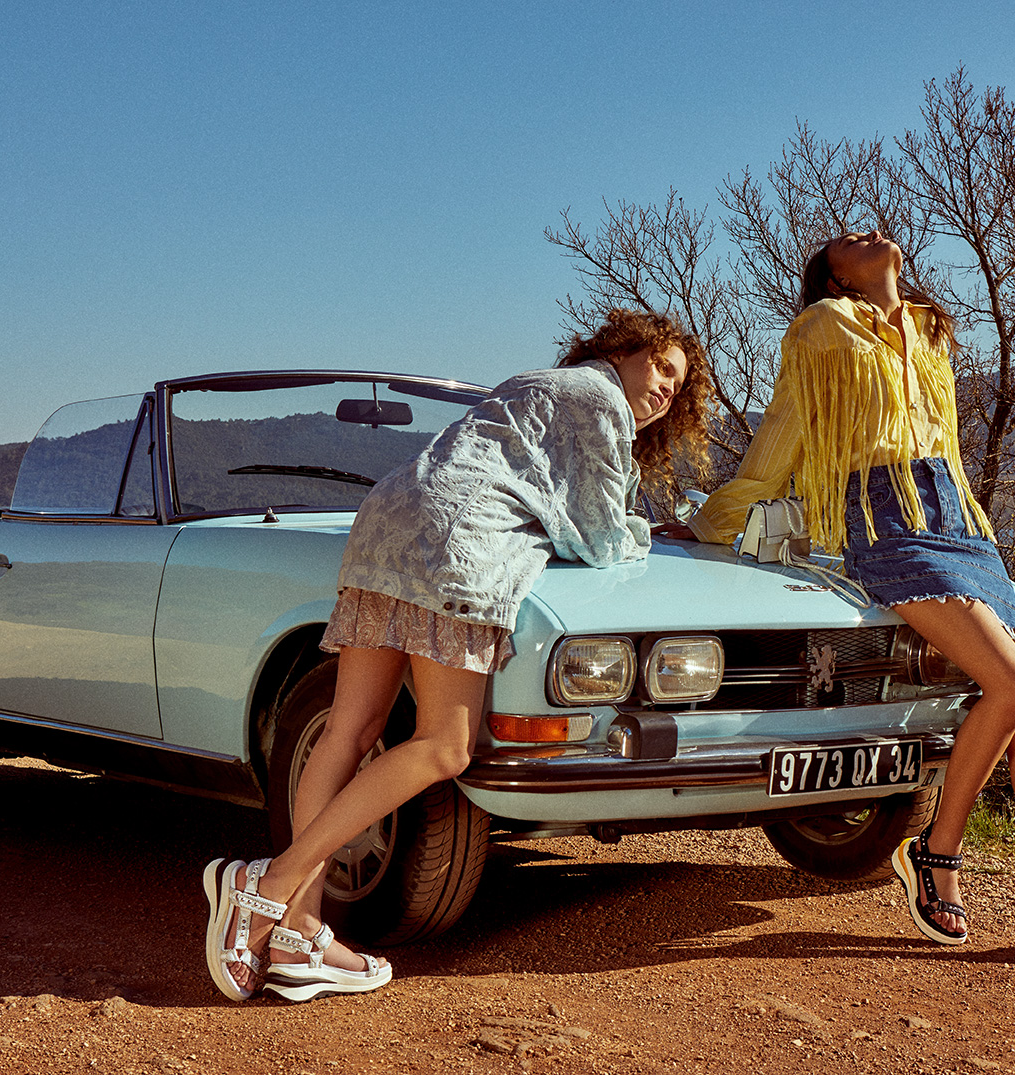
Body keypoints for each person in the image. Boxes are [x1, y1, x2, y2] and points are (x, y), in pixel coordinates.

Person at [204, 309, 715, 1002]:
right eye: (660, 367)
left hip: (388, 519)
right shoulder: (600, 400)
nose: (664, 390)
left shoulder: (536, 386)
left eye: (677, 388)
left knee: (349, 728)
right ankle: (270, 883)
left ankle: (299, 929)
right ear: (621, 350)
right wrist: (644, 532)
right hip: (458, 539)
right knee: (444, 747)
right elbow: (598, 539)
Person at [685, 232, 1015, 966]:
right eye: (846, 240)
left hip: (959, 523)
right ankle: (936, 852)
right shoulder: (822, 326)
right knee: (1013, 685)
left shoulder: (930, 330)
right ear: (835, 278)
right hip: (886, 523)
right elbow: (785, 431)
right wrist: (712, 518)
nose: (866, 232)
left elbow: (942, 443)